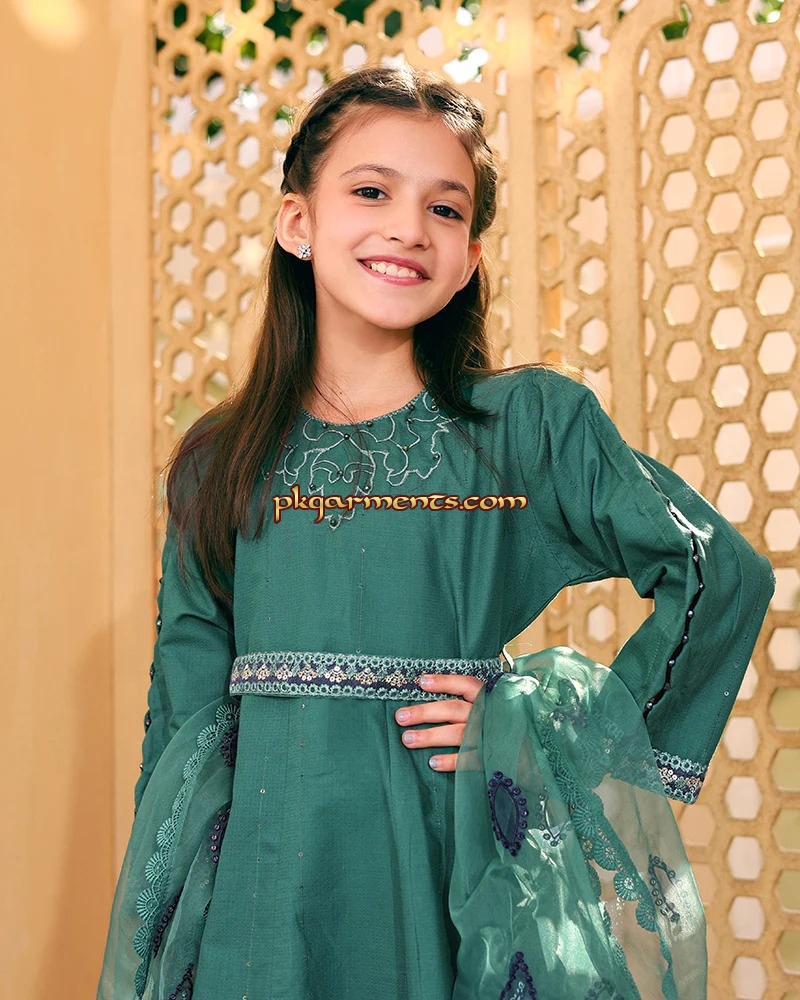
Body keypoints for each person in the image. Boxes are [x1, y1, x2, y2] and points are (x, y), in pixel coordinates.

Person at [98, 66, 774, 1000]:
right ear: (297, 222)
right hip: (262, 881)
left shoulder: (529, 427)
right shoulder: (222, 457)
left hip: (451, 859)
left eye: (445, 210)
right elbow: (183, 712)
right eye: (372, 192)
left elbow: (719, 571)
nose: (409, 228)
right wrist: (165, 921)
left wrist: (545, 735)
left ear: (468, 258)